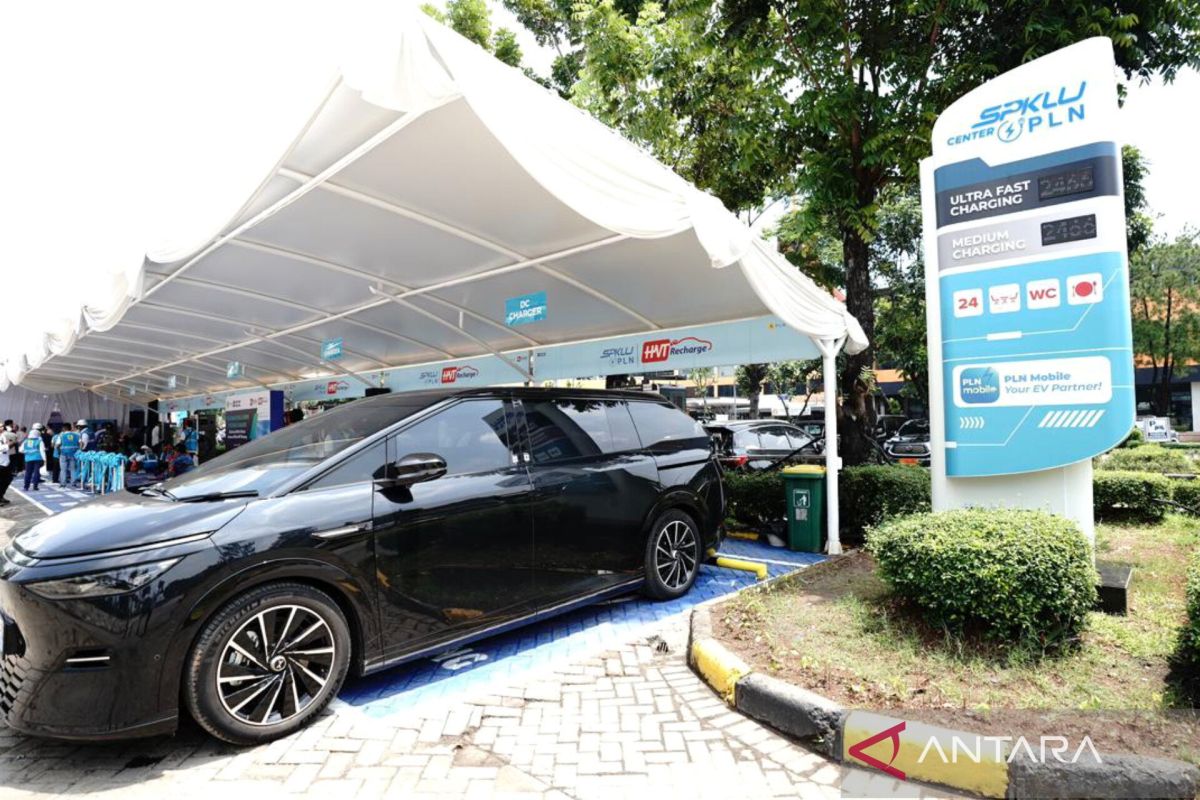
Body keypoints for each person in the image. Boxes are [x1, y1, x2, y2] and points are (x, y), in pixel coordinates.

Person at [21, 423, 47, 491]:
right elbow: (42, 451)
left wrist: (27, 452)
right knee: (36, 472)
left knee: (28, 472)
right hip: (37, 458)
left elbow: (20, 450)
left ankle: (26, 487)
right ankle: (35, 486)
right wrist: (44, 459)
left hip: (28, 459)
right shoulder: (39, 441)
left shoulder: (26, 441)